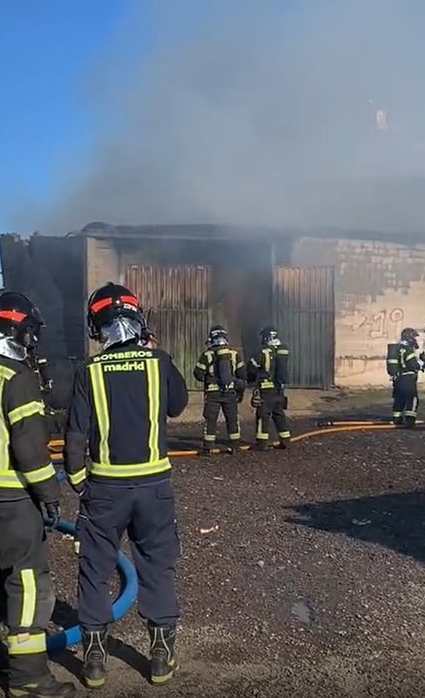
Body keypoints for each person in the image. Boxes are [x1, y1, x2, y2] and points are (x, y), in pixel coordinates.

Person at [64, 282, 189, 688]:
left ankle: (95, 659)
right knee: (157, 566)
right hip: (154, 487)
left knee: (96, 569)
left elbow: (75, 436)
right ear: (138, 319)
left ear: (97, 325)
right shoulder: (159, 361)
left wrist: (81, 483)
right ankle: (160, 655)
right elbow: (177, 405)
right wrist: (156, 354)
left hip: (104, 490)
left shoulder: (88, 371)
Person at [0, 291, 75, 697]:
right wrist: (49, 492)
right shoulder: (19, 378)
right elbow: (28, 448)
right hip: (13, 500)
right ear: (20, 332)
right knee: (27, 582)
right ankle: (28, 677)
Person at [193, 325, 246, 454]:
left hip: (212, 395)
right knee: (232, 419)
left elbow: (198, 374)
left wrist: (208, 378)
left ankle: (208, 448)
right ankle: (235, 447)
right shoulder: (234, 354)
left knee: (211, 420)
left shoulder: (207, 355)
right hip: (230, 393)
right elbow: (242, 375)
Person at [248, 326, 291, 450]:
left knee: (263, 415)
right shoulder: (282, 351)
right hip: (279, 390)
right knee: (279, 414)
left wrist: (251, 379)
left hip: (265, 391)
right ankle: (286, 440)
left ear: (266, 338)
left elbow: (250, 368)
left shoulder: (262, 353)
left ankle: (261, 443)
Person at [386, 327, 421, 428]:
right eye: (414, 337)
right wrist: (421, 364)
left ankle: (397, 418)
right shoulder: (407, 349)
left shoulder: (398, 348)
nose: (415, 339)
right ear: (409, 337)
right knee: (412, 398)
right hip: (408, 378)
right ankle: (410, 420)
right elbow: (413, 364)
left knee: (399, 398)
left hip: (398, 378)